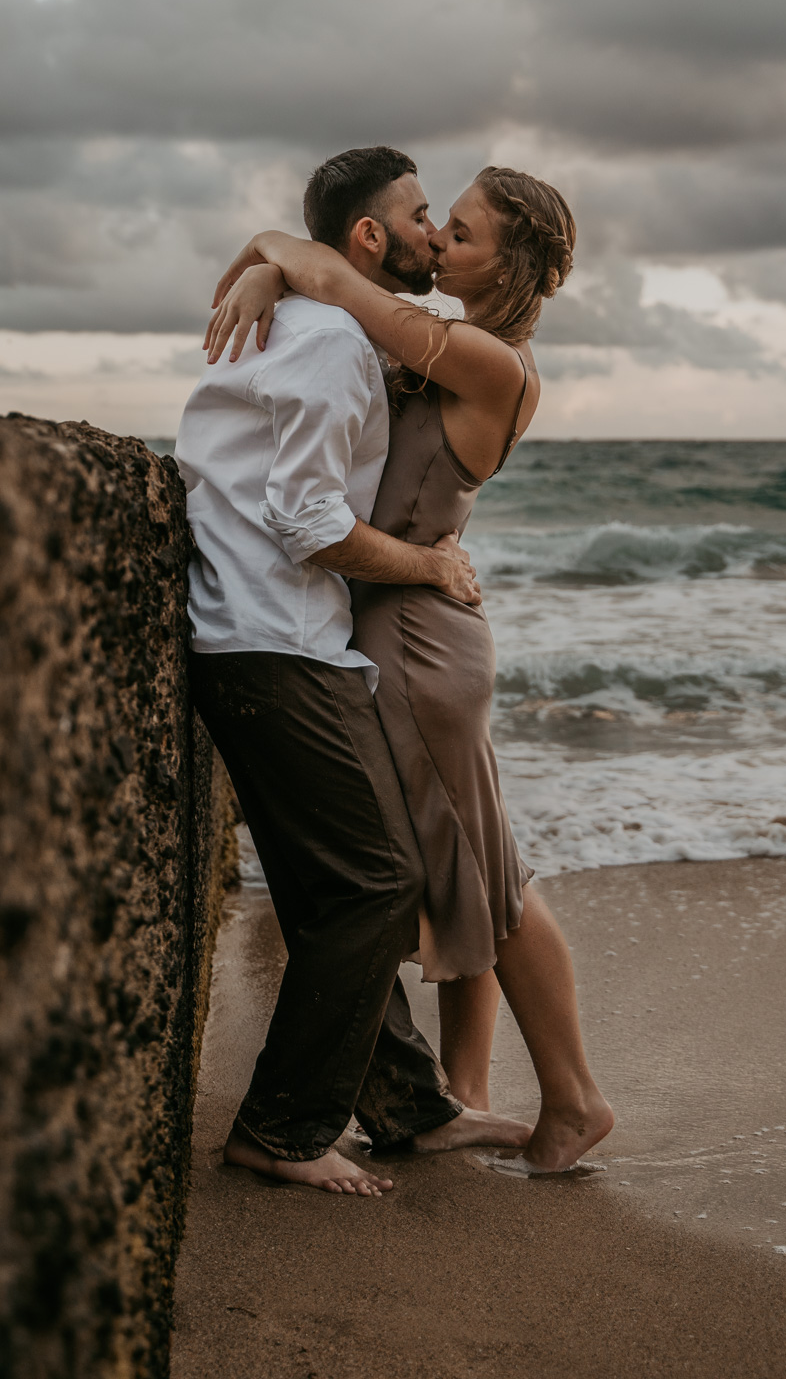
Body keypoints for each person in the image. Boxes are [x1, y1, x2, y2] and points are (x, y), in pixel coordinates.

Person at [206, 162, 613, 1173]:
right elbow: (333, 270)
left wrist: (273, 259)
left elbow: (342, 280)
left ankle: (572, 1099)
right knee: (460, 870)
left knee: (487, 880)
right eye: (437, 223)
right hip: (391, 619)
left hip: (418, 635)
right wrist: (265, 262)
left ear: (506, 269)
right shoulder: (451, 348)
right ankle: (459, 1098)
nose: (437, 243)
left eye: (459, 234)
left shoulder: (492, 365)